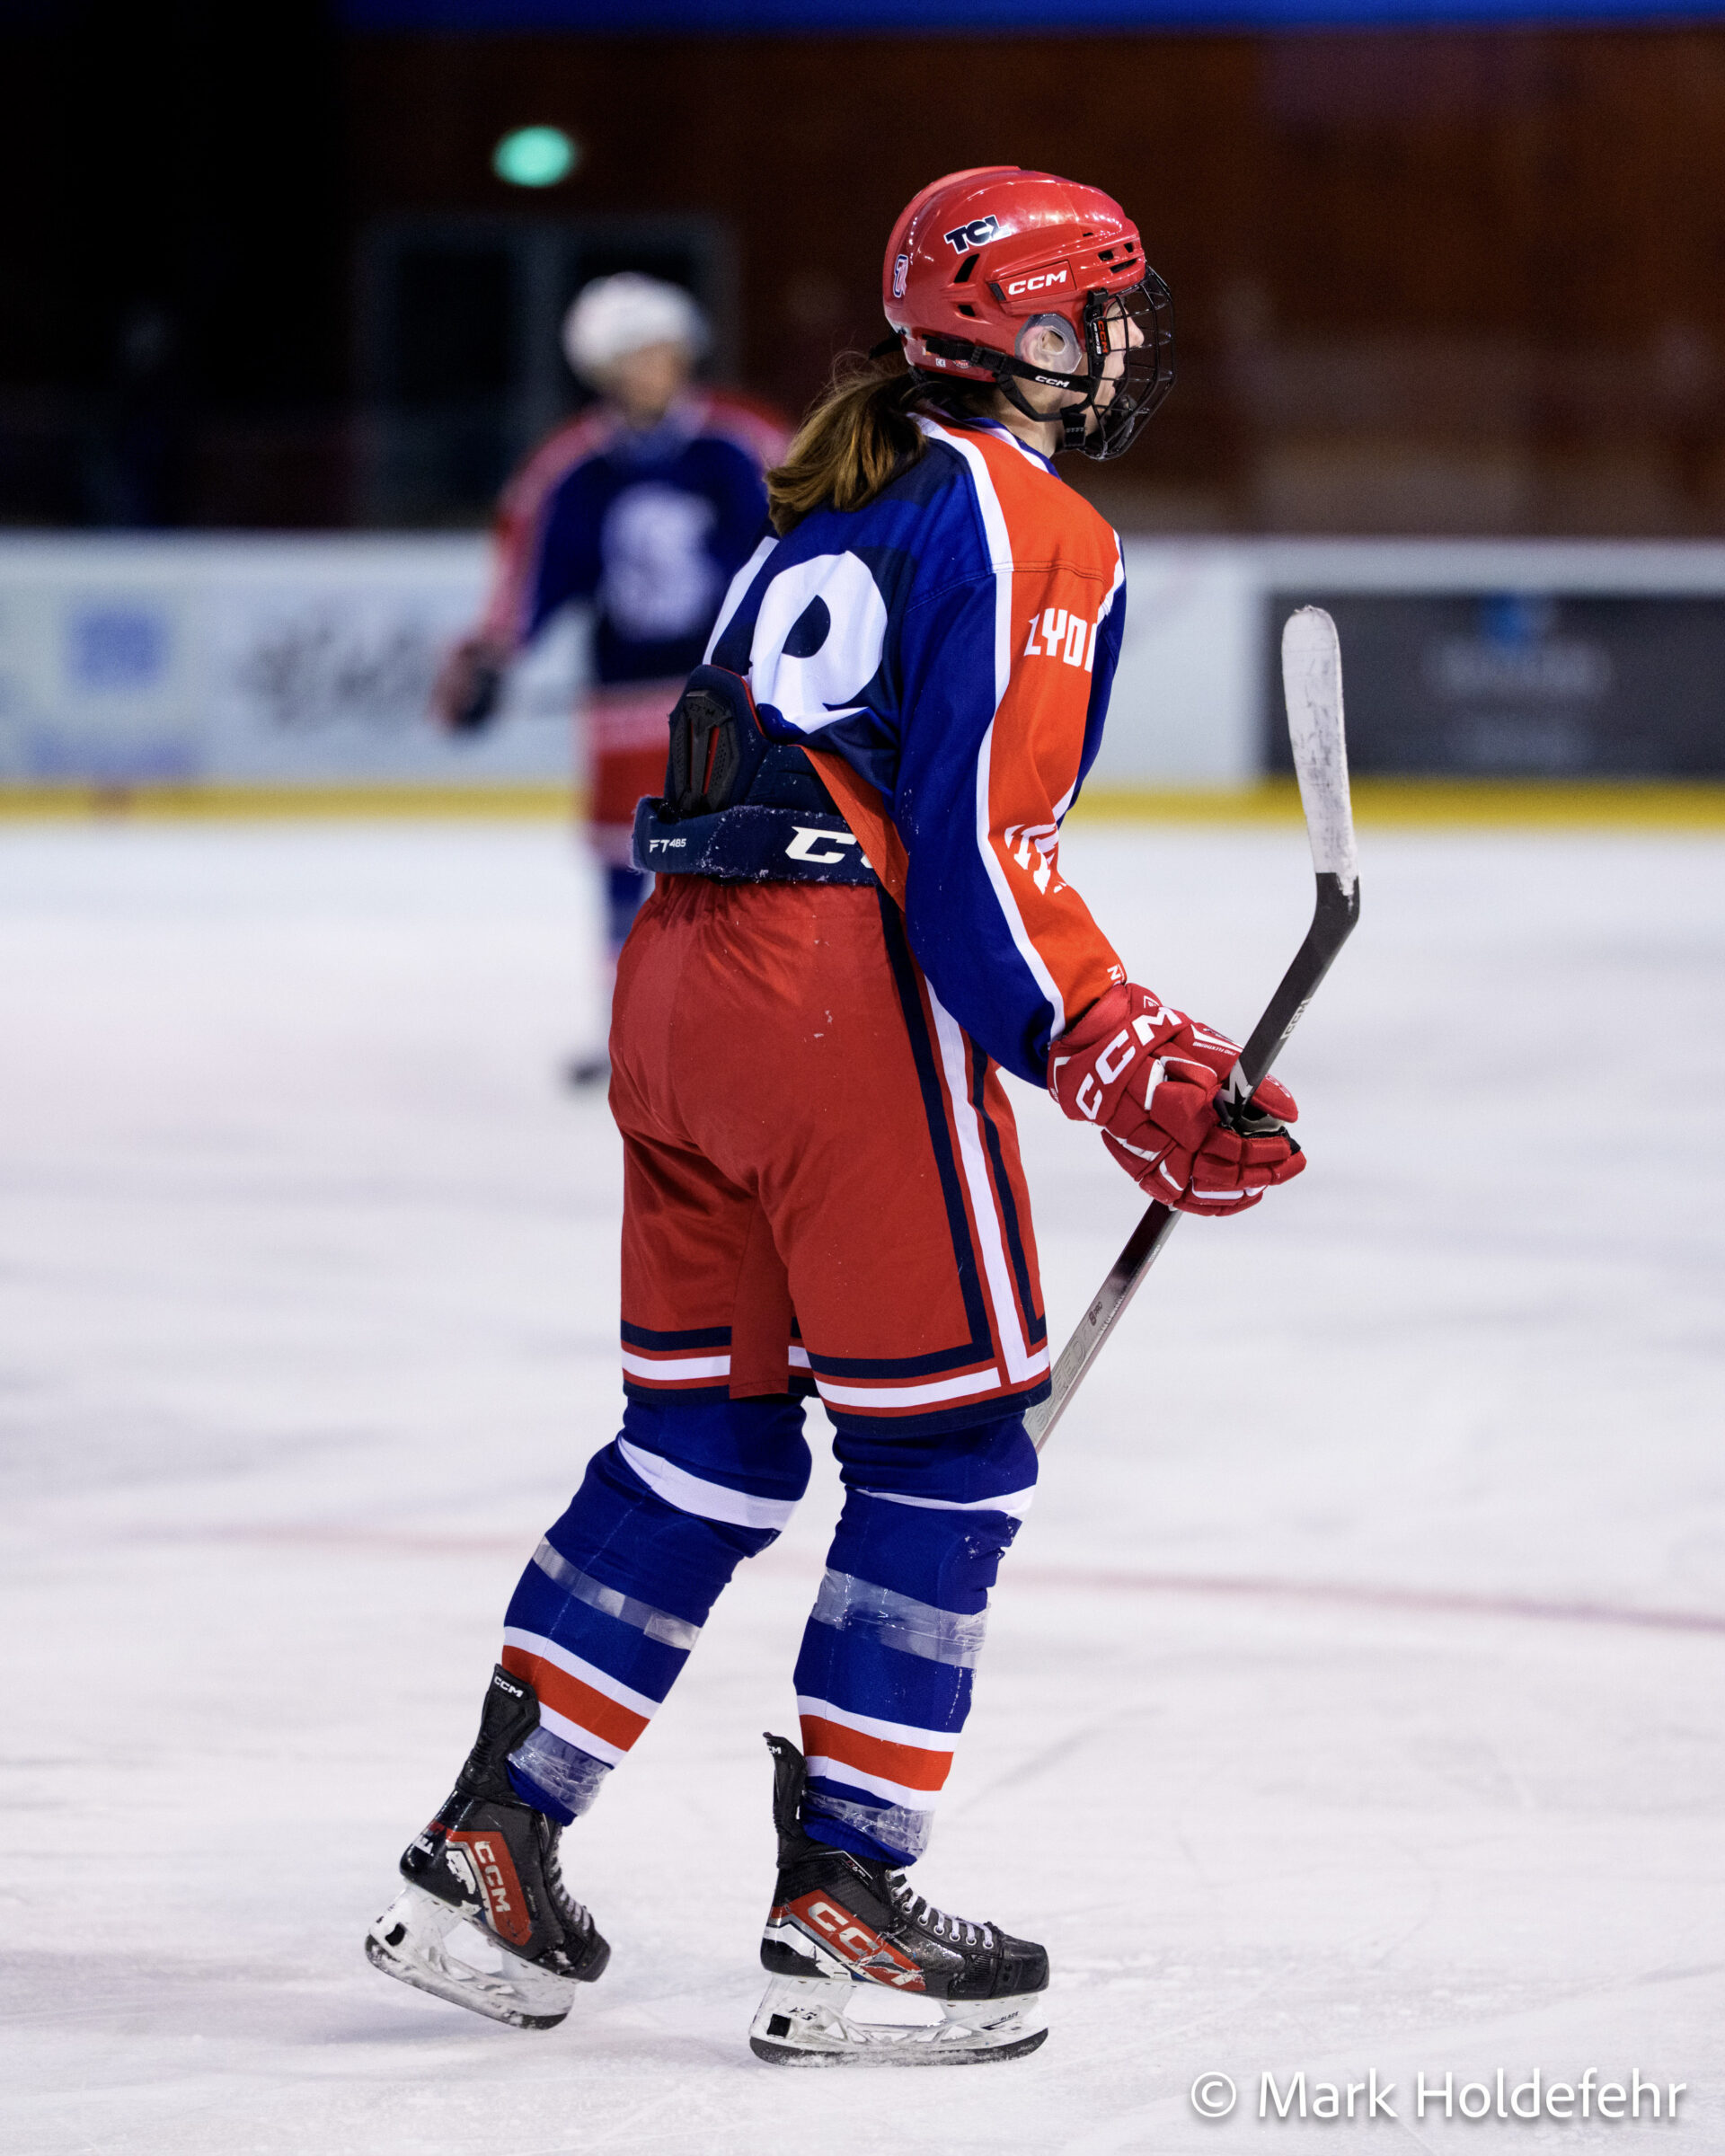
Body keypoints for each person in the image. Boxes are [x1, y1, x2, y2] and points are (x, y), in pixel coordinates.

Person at [370, 167, 1306, 2064]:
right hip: (830, 1005)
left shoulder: (833, 489)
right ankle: (847, 1903)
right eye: (1101, 309)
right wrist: (1113, 1047)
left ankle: (491, 1843)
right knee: (948, 1455)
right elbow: (979, 851)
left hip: (675, 989)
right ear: (1024, 333)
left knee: (703, 1448)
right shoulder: (1034, 521)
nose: (1125, 342)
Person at [431, 272, 790, 1083]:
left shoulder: (746, 441)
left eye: (661, 350)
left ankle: (750, 1023)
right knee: (625, 861)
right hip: (625, 695)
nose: (649, 368)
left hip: (736, 693)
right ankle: (633, 1027)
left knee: (742, 858)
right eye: (630, 356)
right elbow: (531, 571)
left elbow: (808, 544)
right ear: (600, 369)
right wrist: (493, 654)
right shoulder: (571, 465)